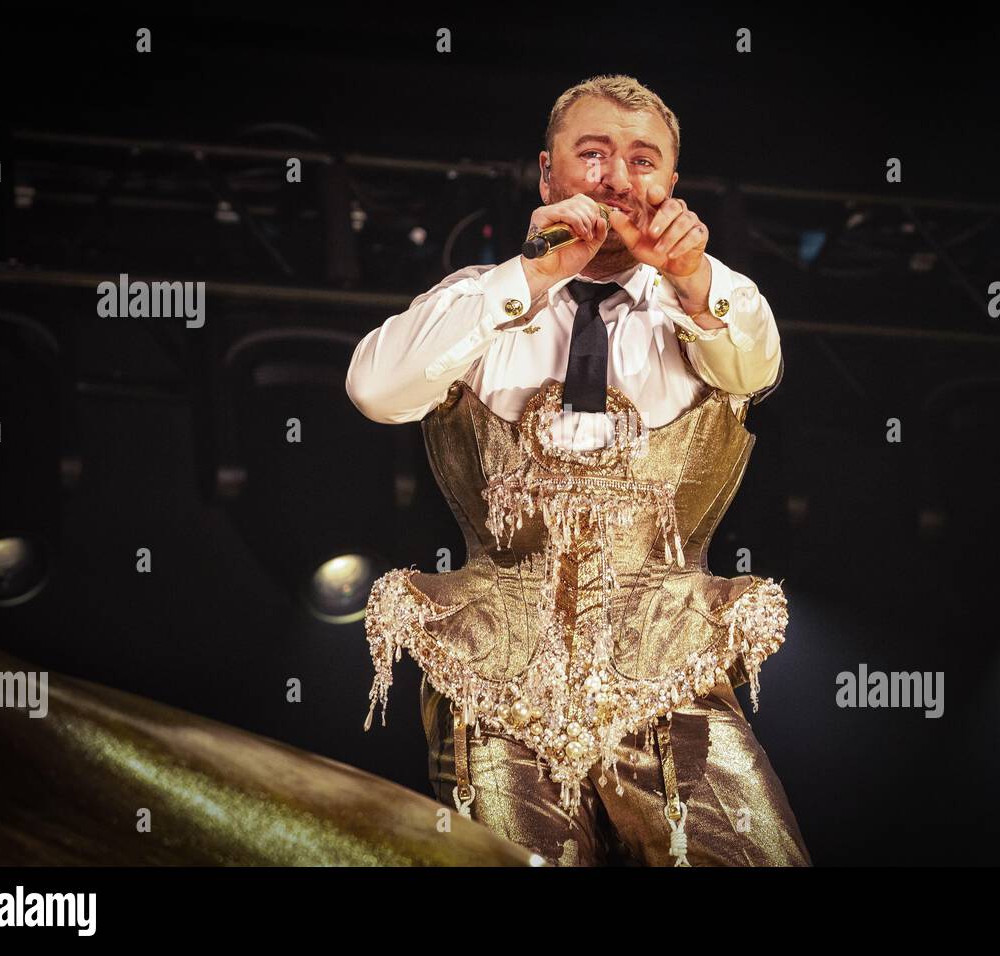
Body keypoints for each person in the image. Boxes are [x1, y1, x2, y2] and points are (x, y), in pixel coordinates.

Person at [345, 73, 810, 866]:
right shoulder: (482, 299)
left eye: (643, 160)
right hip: (494, 681)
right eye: (591, 155)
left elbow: (755, 363)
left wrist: (696, 281)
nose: (618, 180)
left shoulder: (704, 306)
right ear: (546, 175)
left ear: (671, 183)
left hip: (672, 674)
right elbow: (376, 389)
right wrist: (530, 276)